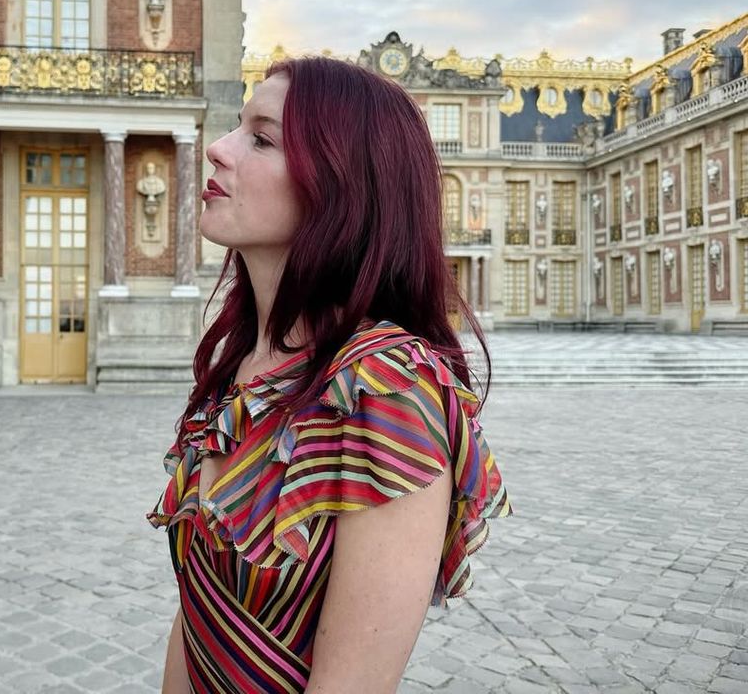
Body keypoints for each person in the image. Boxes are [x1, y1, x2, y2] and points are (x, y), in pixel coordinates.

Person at [148, 56, 512, 694]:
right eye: (238, 128)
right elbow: (195, 616)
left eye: (262, 138)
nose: (217, 149)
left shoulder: (385, 389)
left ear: (343, 184)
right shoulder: (242, 372)